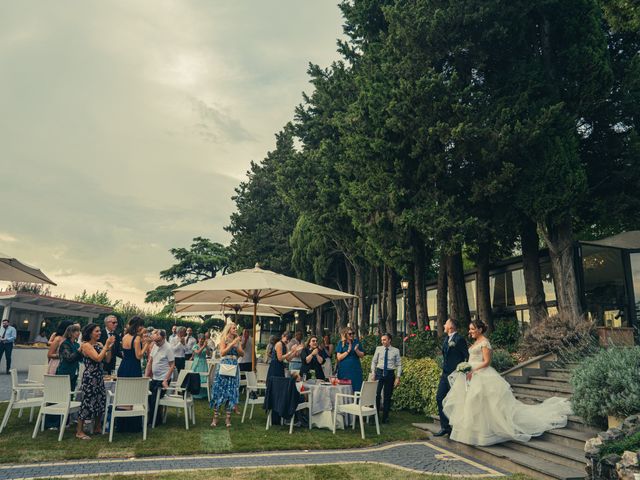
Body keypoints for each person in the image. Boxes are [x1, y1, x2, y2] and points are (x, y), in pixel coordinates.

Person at [443, 319, 572, 446]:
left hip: (482, 375)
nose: (469, 331)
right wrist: (466, 368)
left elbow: (487, 362)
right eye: (470, 329)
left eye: (472, 329)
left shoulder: (485, 343)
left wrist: (472, 369)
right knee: (474, 404)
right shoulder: (476, 342)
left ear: (480, 330)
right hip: (472, 375)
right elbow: (471, 358)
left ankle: (489, 432)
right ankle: (478, 432)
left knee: (484, 404)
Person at [76, 323, 115, 440]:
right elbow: (97, 358)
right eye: (96, 331)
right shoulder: (85, 345)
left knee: (100, 401)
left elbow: (107, 359)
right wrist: (106, 346)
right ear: (90, 333)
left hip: (99, 376)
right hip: (90, 377)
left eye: (99, 331)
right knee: (87, 402)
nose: (99, 333)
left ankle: (97, 427)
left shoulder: (100, 344)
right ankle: (79, 431)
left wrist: (109, 347)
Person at [434, 318, 469, 437]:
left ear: (451, 327)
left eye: (446, 323)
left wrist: (463, 370)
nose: (444, 324)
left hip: (456, 376)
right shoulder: (446, 339)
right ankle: (445, 427)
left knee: (457, 401)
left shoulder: (460, 340)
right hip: (445, 375)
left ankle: (459, 427)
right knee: (439, 398)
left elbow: (467, 356)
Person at [210, 322, 244, 428]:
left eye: (236, 328)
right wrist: (232, 343)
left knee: (231, 391)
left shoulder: (238, 339)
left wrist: (237, 345)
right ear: (229, 329)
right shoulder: (223, 338)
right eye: (234, 328)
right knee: (219, 390)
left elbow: (242, 354)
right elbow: (222, 353)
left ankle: (228, 418)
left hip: (234, 366)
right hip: (224, 365)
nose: (235, 330)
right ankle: (215, 417)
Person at [145, 329, 175, 426]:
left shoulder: (168, 348)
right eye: (155, 341)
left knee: (154, 398)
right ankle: (153, 418)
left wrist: (166, 380)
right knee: (149, 396)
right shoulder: (155, 346)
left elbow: (172, 366)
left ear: (164, 338)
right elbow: (150, 362)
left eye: (158, 341)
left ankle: (154, 422)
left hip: (163, 378)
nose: (157, 343)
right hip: (155, 378)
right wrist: (146, 377)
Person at [370, 333, 402, 423]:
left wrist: (398, 377)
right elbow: (374, 361)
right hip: (379, 373)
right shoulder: (378, 349)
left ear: (389, 340)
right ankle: (374, 416)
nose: (382, 341)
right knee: (376, 395)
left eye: (384, 340)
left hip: (390, 374)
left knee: (387, 396)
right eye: (382, 340)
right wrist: (373, 372)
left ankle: (385, 418)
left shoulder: (396, 351)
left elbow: (399, 364)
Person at [336, 327, 365, 392]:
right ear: (345, 334)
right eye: (350, 334)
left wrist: (356, 350)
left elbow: (362, 355)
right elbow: (339, 357)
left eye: (353, 333)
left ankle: (356, 401)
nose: (352, 335)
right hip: (344, 370)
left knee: (356, 386)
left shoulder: (356, 342)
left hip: (355, 369)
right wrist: (348, 351)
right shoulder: (341, 343)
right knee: (344, 387)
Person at [56, 324, 82, 391]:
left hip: (75, 371)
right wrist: (79, 351)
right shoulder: (65, 344)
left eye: (79, 331)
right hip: (65, 372)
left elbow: (80, 359)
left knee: (71, 391)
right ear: (71, 333)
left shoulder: (77, 344)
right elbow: (69, 358)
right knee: (62, 392)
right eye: (76, 331)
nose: (79, 333)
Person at [191, 334, 209, 399]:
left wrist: (207, 347)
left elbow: (209, 354)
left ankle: (203, 393)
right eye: (200, 339)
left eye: (203, 339)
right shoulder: (195, 346)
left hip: (203, 362)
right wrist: (204, 346)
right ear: (198, 339)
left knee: (203, 377)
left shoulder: (205, 346)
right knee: (196, 376)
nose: (201, 340)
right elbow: (197, 353)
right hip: (197, 362)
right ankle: (196, 392)